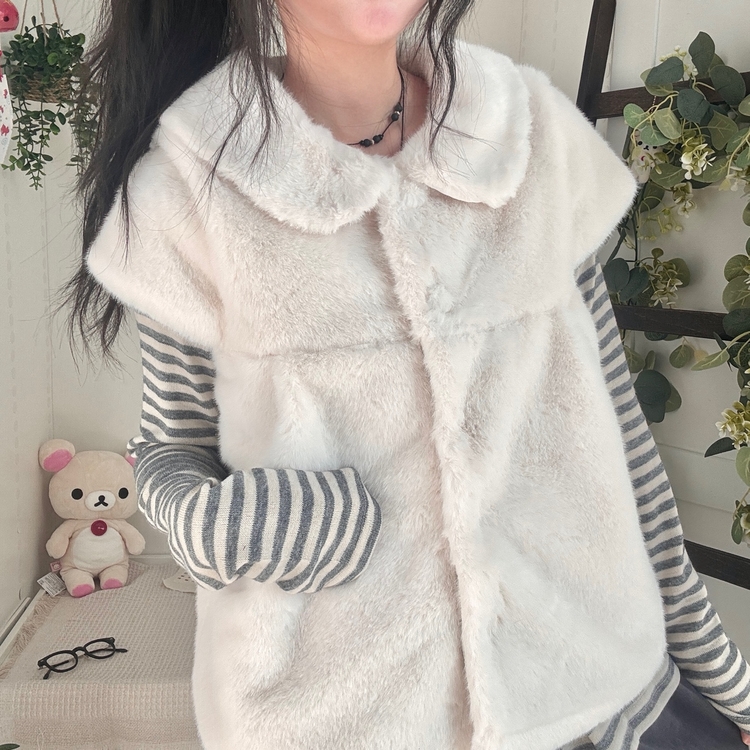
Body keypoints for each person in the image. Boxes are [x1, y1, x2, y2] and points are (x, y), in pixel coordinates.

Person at [59, 0, 750, 748]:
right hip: (346, 722)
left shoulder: (529, 137)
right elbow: (169, 447)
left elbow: (624, 445)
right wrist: (216, 525)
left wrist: (729, 686)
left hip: (598, 697)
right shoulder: (191, 186)